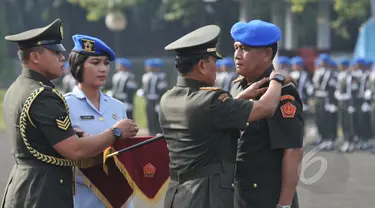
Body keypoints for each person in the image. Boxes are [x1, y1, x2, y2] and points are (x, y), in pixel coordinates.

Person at [2, 19, 138, 208]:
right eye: (55, 52)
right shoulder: (44, 96)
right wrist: (115, 133)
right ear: (35, 57)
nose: (61, 57)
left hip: (28, 186)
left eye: (106, 63)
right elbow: (75, 150)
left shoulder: (18, 87)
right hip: (44, 192)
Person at [159, 24, 294, 208]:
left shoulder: (168, 99)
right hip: (206, 197)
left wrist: (238, 98)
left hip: (178, 195)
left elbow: (208, 119)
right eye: (213, 61)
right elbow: (265, 107)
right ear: (201, 66)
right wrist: (277, 79)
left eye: (243, 49)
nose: (218, 66)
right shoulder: (212, 100)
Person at [230, 20, 303, 208]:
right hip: (239, 192)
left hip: (266, 196)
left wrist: (284, 204)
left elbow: (292, 149)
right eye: (236, 48)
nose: (237, 55)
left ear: (267, 54)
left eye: (245, 49)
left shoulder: (282, 93)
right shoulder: (238, 86)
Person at [62, 34, 133, 208]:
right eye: (95, 63)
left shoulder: (118, 106)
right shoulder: (64, 105)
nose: (103, 69)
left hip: (118, 197)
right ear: (78, 66)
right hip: (82, 197)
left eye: (106, 63)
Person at [141, 58, 168, 135]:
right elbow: (145, 87)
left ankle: (158, 132)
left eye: (149, 66)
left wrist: (159, 102)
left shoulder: (161, 76)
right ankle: (151, 132)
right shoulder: (146, 76)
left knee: (157, 118)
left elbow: (162, 90)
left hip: (157, 100)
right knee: (149, 116)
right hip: (149, 100)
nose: (147, 67)